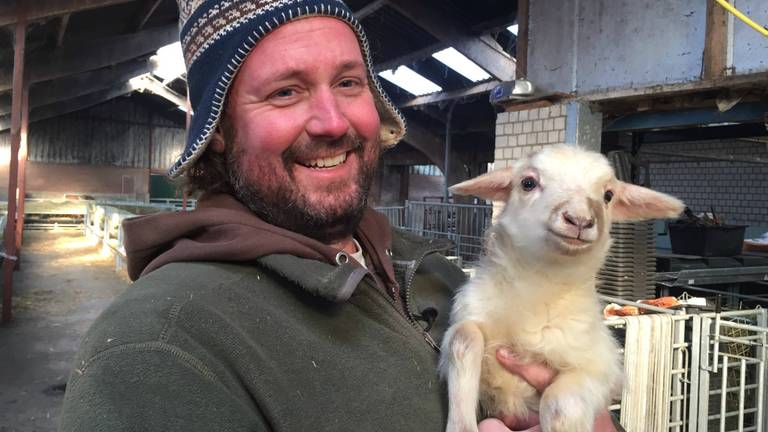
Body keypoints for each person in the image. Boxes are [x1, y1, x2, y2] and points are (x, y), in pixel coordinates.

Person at [59, 1, 620, 431]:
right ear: (219, 131)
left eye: (349, 83)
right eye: (285, 91)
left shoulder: (428, 268)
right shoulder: (162, 348)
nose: (332, 121)